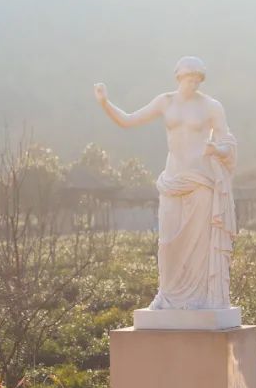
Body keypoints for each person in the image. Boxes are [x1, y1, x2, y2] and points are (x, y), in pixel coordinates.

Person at [93, 56, 237, 310]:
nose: (193, 84)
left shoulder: (211, 106)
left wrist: (218, 148)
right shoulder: (165, 101)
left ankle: (200, 299)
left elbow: (228, 141)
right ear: (179, 77)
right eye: (189, 78)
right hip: (172, 180)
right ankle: (168, 295)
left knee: (198, 248)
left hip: (200, 181)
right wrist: (105, 103)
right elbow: (128, 119)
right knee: (168, 243)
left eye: (197, 80)